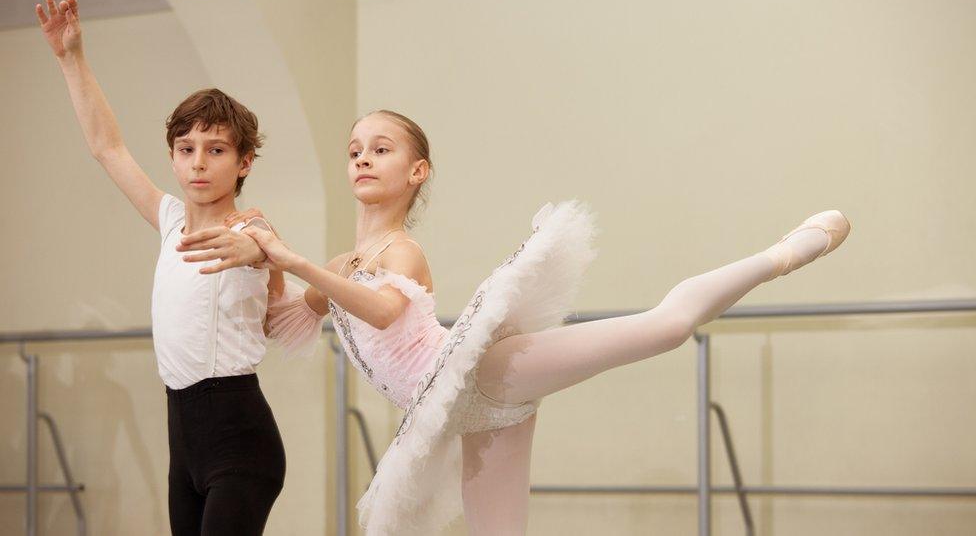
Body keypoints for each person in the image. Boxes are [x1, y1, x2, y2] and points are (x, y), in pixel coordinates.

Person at [184, 107, 850, 535]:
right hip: (463, 413)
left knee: (667, 326)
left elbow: (386, 309)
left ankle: (781, 254)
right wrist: (258, 245)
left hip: (480, 371)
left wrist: (291, 259)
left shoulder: (399, 251)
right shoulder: (337, 263)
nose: (361, 156)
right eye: (354, 147)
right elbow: (280, 323)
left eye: (380, 149)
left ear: (417, 172)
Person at [35, 0, 316, 534]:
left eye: (215, 150)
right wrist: (71, 58)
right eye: (186, 149)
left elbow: (266, 258)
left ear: (243, 163)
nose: (198, 162)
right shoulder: (168, 220)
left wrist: (259, 249)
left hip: (240, 439)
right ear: (172, 156)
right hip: (182, 439)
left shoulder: (251, 229)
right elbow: (107, 147)